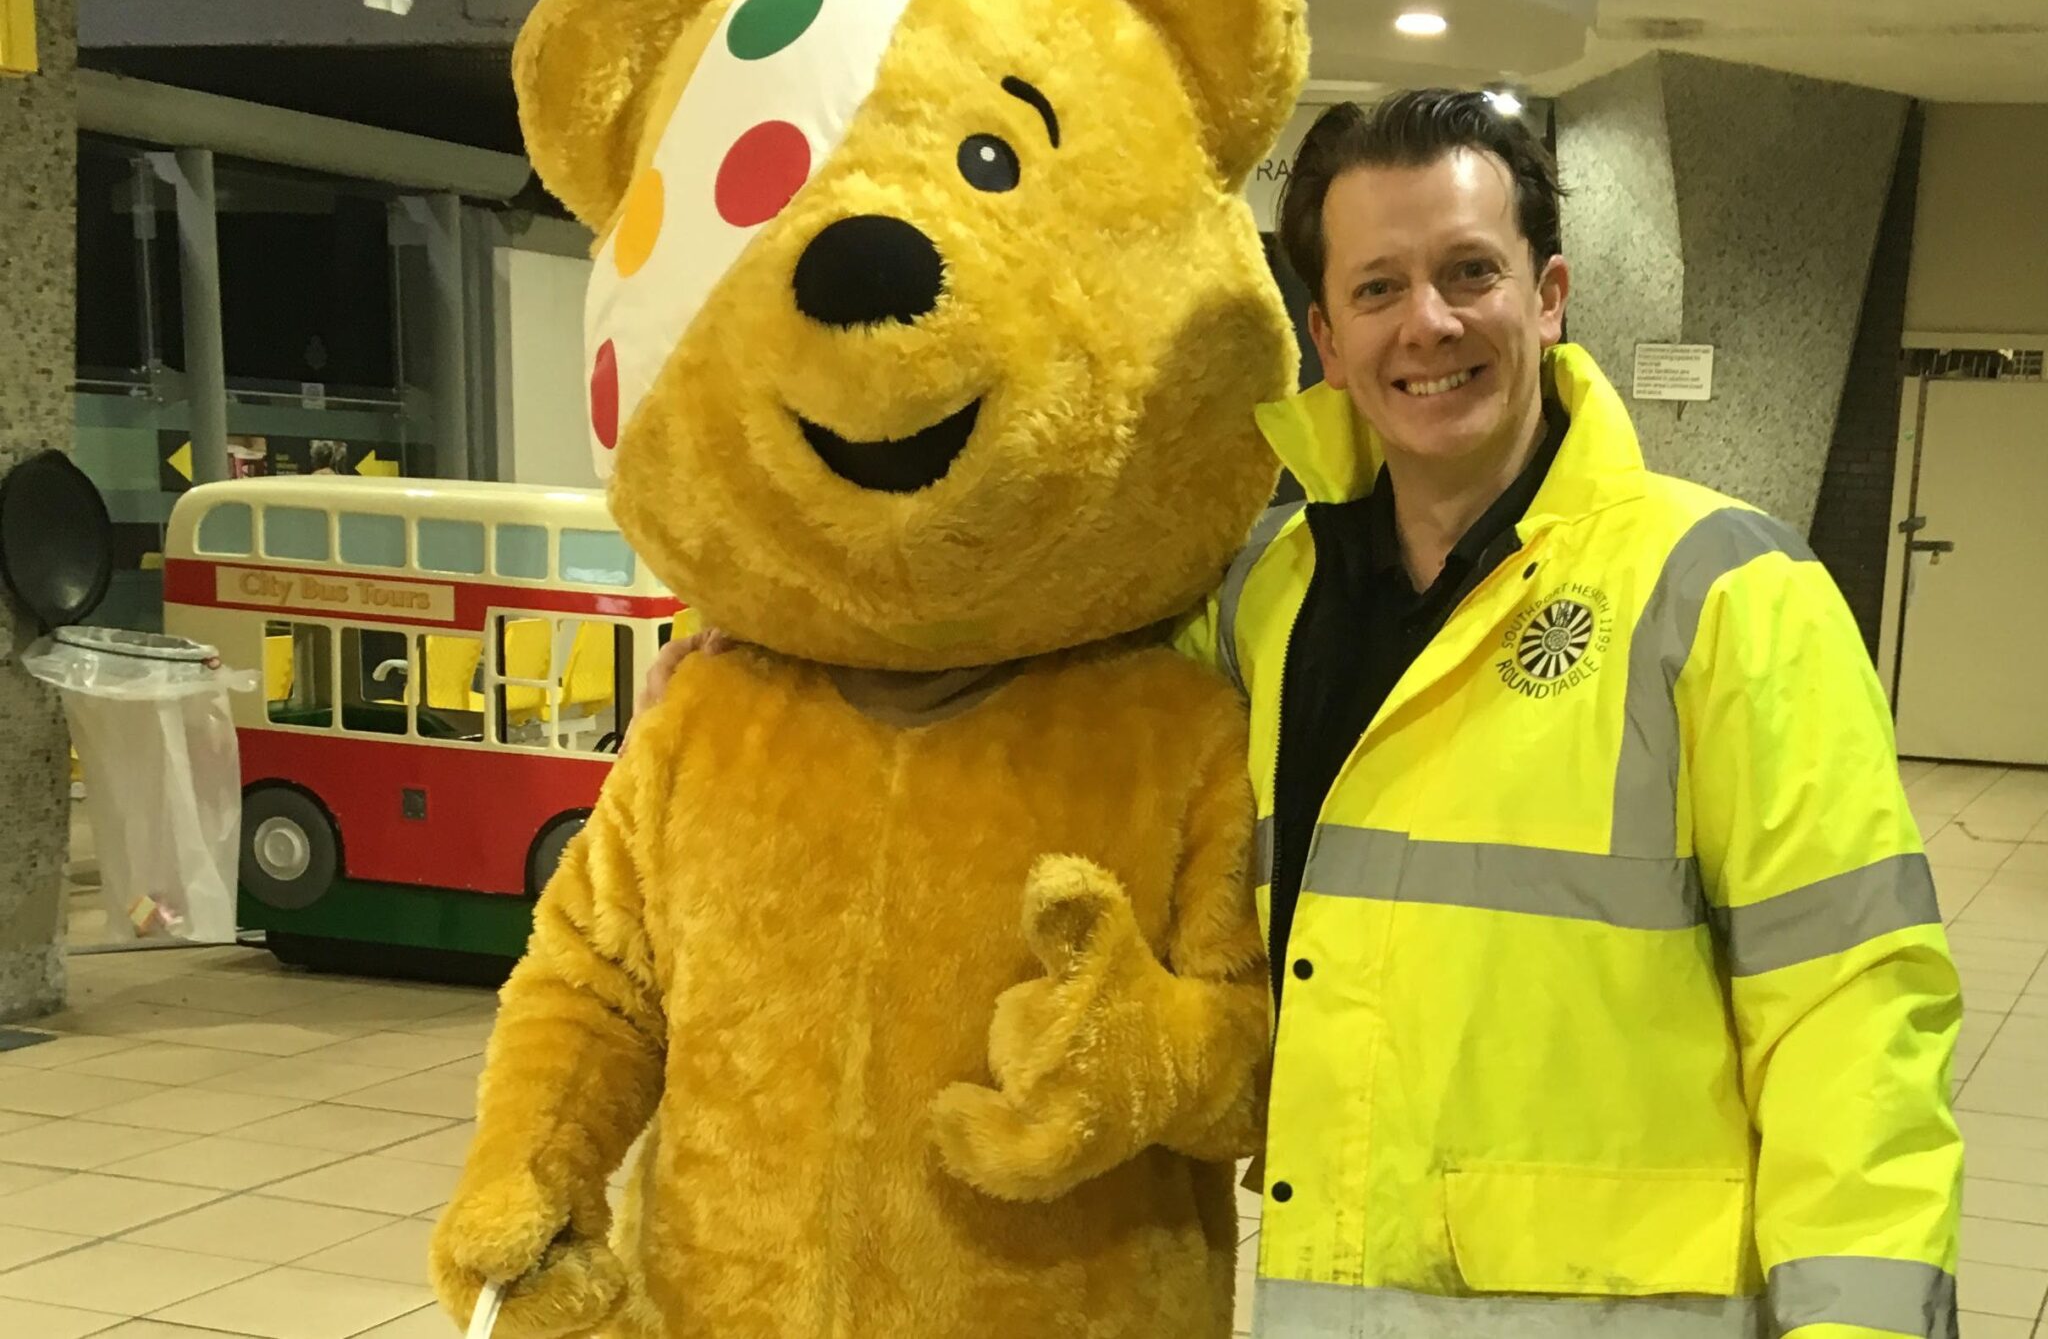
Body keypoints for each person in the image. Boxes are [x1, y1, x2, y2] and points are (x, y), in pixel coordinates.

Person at [642, 88, 1963, 1338]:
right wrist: (790, 656)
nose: (1427, 326)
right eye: (1377, 289)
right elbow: (1036, 692)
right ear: (1326, 339)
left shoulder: (1725, 591)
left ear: (1548, 296)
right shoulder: (1266, 599)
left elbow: (1853, 1007)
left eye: (1469, 273)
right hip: (1330, 1301)